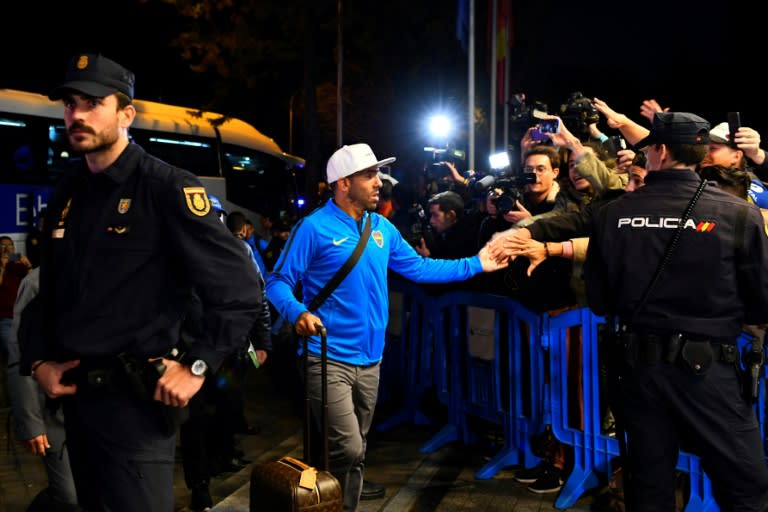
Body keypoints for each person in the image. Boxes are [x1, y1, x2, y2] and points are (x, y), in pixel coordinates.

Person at [23, 53, 263, 512]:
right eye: (71, 104)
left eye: (93, 103)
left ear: (126, 114)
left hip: (136, 406)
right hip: (77, 402)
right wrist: (37, 362)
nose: (77, 115)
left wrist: (196, 367)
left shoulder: (165, 188)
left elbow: (241, 291)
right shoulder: (68, 191)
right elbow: (48, 290)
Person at [265, 142, 507, 512]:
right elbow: (277, 281)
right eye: (369, 175)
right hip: (326, 357)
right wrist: (297, 311)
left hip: (371, 360)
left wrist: (476, 263)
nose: (379, 182)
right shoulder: (313, 228)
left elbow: (421, 269)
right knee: (347, 446)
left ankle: (340, 506)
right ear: (343, 183)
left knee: (357, 448)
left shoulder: (381, 228)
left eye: (378, 173)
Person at [583, 112, 768, 511]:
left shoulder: (611, 214)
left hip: (637, 372)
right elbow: (760, 302)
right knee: (745, 485)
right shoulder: (738, 214)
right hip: (708, 371)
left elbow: (598, 300)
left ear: (660, 151)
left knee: (649, 488)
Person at [7, 267, 80, 511]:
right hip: (53, 412)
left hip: (99, 411)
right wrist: (31, 422)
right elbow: (20, 356)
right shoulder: (37, 281)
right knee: (69, 496)